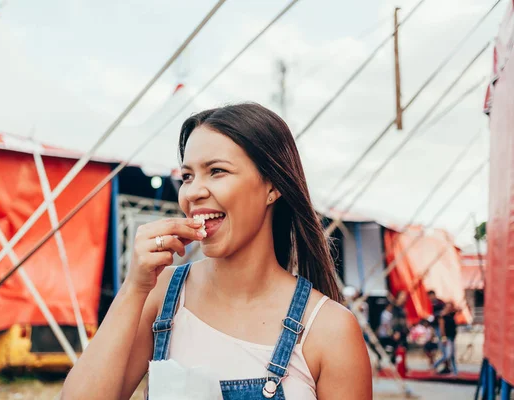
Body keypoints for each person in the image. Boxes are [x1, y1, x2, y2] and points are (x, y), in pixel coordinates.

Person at [61, 103, 372, 399]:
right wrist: (134, 288)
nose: (193, 192)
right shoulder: (162, 295)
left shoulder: (329, 329)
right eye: (187, 176)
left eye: (217, 171)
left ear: (273, 186)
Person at [433, 302, 459, 375]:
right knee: (447, 355)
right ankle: (435, 365)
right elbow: (442, 328)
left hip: (452, 336)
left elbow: (458, 310)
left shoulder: (451, 315)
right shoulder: (442, 316)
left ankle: (455, 371)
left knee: (452, 355)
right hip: (447, 337)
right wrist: (443, 338)